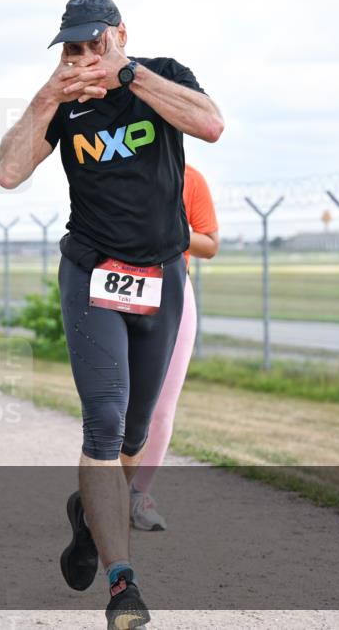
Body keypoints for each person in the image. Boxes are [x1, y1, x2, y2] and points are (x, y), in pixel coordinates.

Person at [0, 0, 223, 629]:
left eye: (96, 42)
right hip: (92, 274)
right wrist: (49, 95)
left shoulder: (162, 76)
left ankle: (89, 516)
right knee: (103, 421)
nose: (85, 56)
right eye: (74, 47)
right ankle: (123, 585)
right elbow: (10, 171)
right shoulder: (63, 106)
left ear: (120, 35)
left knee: (135, 434)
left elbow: (210, 124)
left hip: (162, 277)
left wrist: (127, 75)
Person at [129, 164, 218, 531]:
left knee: (162, 407)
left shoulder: (191, 177)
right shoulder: (118, 166)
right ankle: (101, 494)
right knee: (112, 405)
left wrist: (172, 227)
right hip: (117, 287)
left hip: (172, 291)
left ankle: (138, 495)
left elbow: (210, 244)